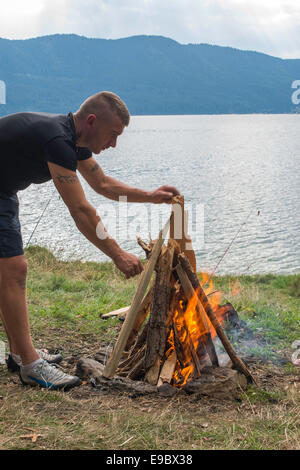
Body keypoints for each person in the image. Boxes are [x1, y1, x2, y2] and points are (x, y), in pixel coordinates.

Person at [0, 91, 180, 390]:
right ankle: (31, 366)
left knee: (9, 272)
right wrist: (118, 254)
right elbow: (81, 210)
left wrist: (150, 196)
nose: (113, 144)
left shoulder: (73, 140)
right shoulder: (58, 141)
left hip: (3, 192)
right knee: (14, 270)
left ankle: (20, 354)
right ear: (92, 121)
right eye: (113, 134)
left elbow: (103, 184)